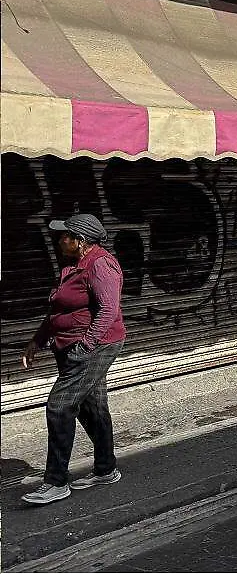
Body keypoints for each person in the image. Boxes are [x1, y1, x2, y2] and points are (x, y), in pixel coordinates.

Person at [21, 214, 126, 505]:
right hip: (70, 345)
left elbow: (108, 310)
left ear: (80, 241)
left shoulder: (101, 264)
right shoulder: (73, 265)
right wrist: (37, 340)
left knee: (60, 405)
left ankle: (56, 482)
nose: (59, 240)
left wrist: (85, 347)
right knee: (91, 407)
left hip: (97, 345)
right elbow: (58, 309)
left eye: (65, 235)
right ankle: (106, 469)